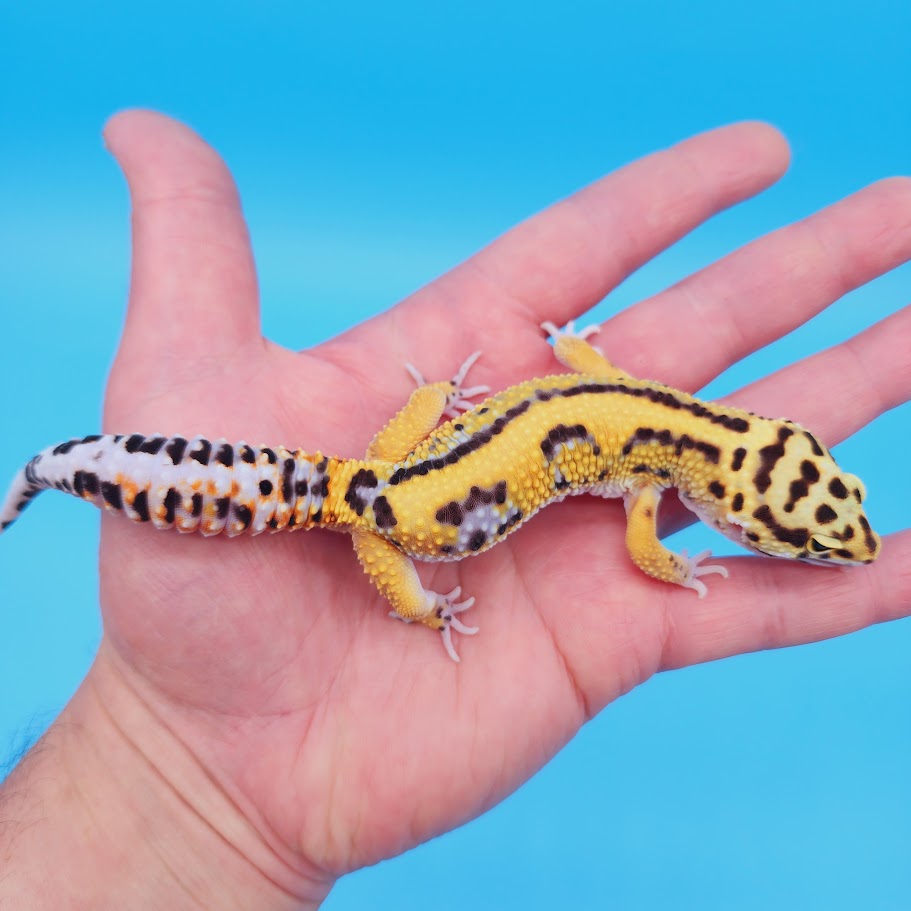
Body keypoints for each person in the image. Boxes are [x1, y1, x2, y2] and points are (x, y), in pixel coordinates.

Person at [1, 110, 908, 908]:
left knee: (371, 475)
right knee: (396, 559)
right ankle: (404, 596)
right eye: (801, 531)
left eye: (814, 526)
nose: (822, 537)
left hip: (400, 459)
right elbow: (644, 553)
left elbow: (590, 369)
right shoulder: (649, 483)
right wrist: (433, 601)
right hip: (397, 523)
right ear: (733, 515)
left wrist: (542, 353)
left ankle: (57, 469)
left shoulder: (646, 403)